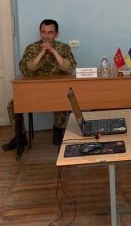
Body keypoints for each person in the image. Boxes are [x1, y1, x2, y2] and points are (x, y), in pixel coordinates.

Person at [3, 19, 76, 154]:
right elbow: (26, 71)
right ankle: (20, 137)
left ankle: (58, 131)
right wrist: (41, 53)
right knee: (12, 105)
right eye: (43, 32)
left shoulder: (64, 48)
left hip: (57, 91)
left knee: (65, 99)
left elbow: (69, 68)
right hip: (34, 91)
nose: (46, 36)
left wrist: (53, 51)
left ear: (56, 34)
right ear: (40, 32)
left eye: (50, 32)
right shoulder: (31, 48)